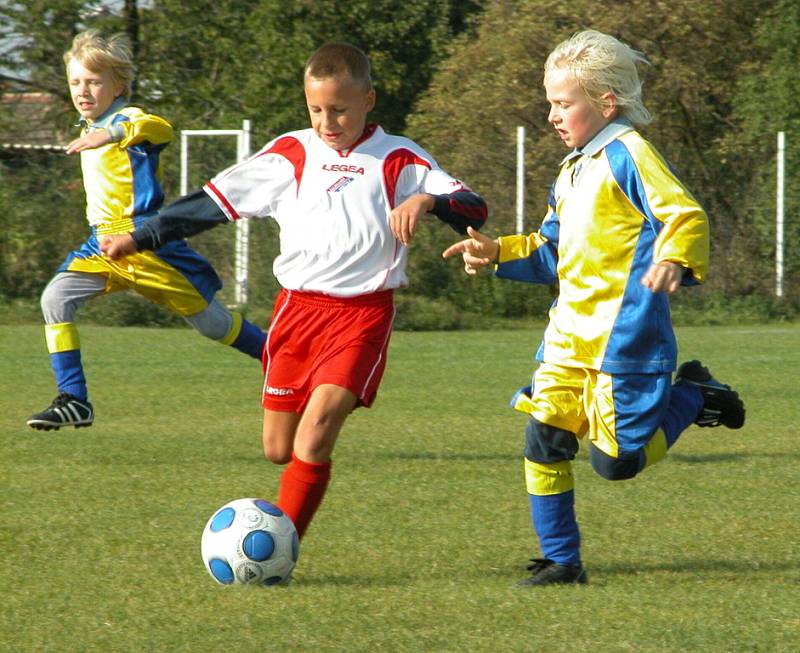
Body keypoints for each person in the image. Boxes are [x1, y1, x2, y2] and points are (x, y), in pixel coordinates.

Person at [101, 42, 488, 541]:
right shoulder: (291, 153)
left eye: (340, 110)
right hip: (296, 313)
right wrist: (139, 236)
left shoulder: (401, 158)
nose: (328, 122)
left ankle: (280, 551)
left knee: (319, 427)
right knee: (279, 449)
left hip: (362, 315)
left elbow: (473, 208)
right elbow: (210, 205)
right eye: (316, 110)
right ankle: (280, 525)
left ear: (368, 100)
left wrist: (428, 200)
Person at [443, 30, 745, 586]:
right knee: (544, 438)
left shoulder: (629, 154)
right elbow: (552, 250)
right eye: (550, 103)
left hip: (624, 341)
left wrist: (674, 259)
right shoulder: (573, 168)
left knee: (617, 464)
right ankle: (562, 560)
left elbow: (684, 215)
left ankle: (696, 393)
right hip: (566, 339)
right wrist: (496, 250)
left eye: (563, 104)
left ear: (605, 103)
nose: (553, 115)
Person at [26, 30, 267, 432]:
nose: (82, 91)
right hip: (100, 242)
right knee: (54, 298)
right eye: (75, 82)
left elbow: (160, 128)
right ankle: (74, 399)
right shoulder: (89, 125)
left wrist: (113, 133)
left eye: (93, 81)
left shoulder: (126, 119)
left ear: (118, 86)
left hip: (143, 242)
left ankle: (282, 359)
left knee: (213, 326)